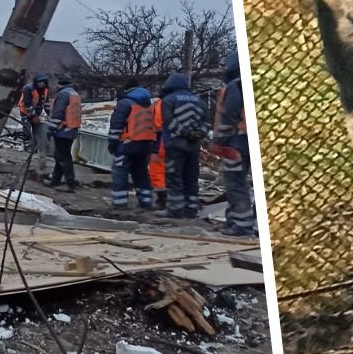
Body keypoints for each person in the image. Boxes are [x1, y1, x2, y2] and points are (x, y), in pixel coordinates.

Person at [213, 53, 255, 236]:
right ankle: (235, 220)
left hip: (236, 143)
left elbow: (228, 117)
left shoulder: (235, 86)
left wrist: (218, 141)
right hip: (246, 140)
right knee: (241, 182)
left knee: (235, 183)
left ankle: (241, 224)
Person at [158, 73, 208, 219]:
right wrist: (199, 134)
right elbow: (206, 123)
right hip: (193, 146)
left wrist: (185, 133)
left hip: (175, 145)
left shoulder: (168, 100)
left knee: (174, 176)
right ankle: (191, 209)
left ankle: (175, 209)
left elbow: (169, 121)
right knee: (191, 177)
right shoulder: (200, 101)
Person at [108, 79, 157, 209]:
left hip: (127, 144)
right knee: (141, 173)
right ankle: (146, 201)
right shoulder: (149, 104)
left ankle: (120, 204)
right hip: (146, 144)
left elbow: (116, 126)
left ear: (127, 90)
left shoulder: (125, 103)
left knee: (120, 172)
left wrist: (112, 144)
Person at [45, 74, 82, 192]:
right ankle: (55, 180)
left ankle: (70, 183)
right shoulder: (74, 94)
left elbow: (58, 113)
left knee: (64, 157)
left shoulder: (62, 94)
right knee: (60, 155)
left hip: (63, 129)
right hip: (72, 129)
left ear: (59, 84)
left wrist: (50, 128)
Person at [18, 73, 51, 155]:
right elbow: (27, 104)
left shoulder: (46, 90)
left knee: (36, 129)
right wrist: (33, 116)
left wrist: (49, 115)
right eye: (39, 82)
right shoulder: (28, 88)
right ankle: (27, 147)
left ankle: (35, 147)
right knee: (27, 129)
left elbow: (46, 103)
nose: (41, 84)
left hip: (37, 111)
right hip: (25, 111)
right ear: (35, 82)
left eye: (42, 82)